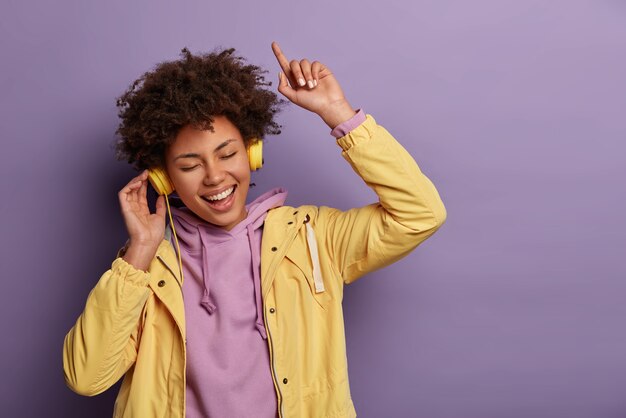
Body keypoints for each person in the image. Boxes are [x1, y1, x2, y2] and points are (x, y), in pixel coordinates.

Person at [62, 41, 447, 418]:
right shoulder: (145, 266)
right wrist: (140, 250)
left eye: (227, 154)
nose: (215, 177)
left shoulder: (313, 237)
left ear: (252, 152)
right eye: (190, 165)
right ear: (164, 178)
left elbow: (420, 214)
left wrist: (339, 114)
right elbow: (86, 377)